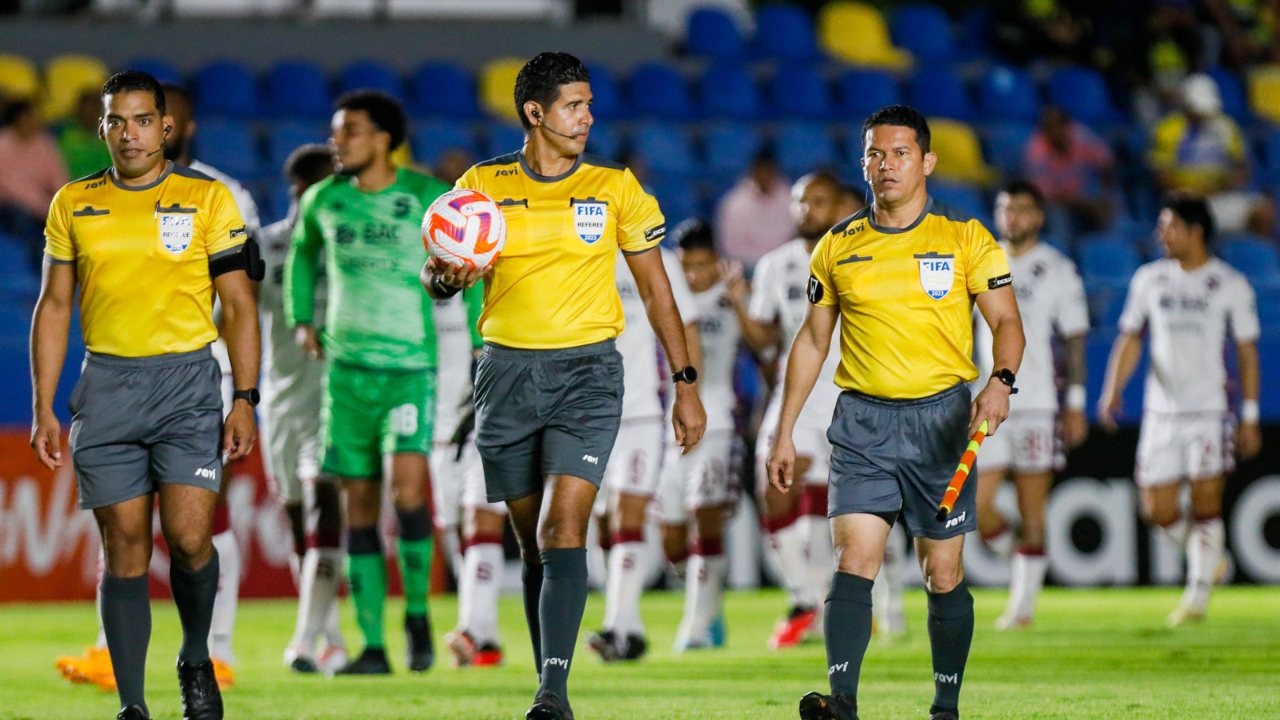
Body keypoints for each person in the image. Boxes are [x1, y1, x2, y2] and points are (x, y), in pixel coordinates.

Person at [422, 51, 706, 720]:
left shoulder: (615, 188)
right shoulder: (481, 184)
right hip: (505, 374)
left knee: (562, 527)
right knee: (532, 544)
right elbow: (436, 274)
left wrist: (685, 382)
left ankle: (554, 692)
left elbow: (657, 292)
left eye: (588, 105)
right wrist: (446, 279)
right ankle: (546, 674)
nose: (587, 117)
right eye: (574, 106)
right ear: (535, 112)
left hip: (588, 375)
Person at [767, 105, 1024, 720]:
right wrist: (783, 430)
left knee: (942, 572)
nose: (886, 165)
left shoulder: (965, 239)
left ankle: (945, 705)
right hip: (863, 423)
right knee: (853, 558)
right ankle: (842, 701)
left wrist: (1000, 383)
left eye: (900, 153)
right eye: (875, 154)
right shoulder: (837, 246)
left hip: (942, 422)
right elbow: (812, 341)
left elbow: (1008, 322)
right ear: (864, 164)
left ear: (927, 161)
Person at [30, 70, 260, 720]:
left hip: (188, 384)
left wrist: (245, 396)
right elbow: (54, 305)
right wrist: (44, 405)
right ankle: (132, 703)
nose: (128, 133)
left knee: (189, 538)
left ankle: (197, 657)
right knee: (124, 545)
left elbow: (240, 305)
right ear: (102, 128)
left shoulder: (208, 199)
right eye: (116, 121)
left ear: (166, 127)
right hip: (106, 387)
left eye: (141, 120)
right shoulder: (73, 202)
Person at [285, 90, 450, 675]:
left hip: (408, 370)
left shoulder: (427, 196)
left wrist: (481, 335)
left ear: (383, 139)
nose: (337, 142)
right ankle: (374, 645)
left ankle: (418, 616)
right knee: (358, 506)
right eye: (337, 131)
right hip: (346, 375)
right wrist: (300, 317)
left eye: (350, 130)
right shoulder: (324, 199)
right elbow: (301, 255)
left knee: (408, 496)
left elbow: (472, 261)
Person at [1098, 192, 1261, 626]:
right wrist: (1112, 390)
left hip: (1210, 411)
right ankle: (1209, 559)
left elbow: (1246, 351)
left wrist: (1249, 414)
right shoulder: (1150, 280)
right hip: (1161, 413)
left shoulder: (1229, 284)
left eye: (1168, 226)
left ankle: (1197, 596)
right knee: (1157, 509)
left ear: (1195, 231)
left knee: (1206, 502)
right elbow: (1130, 337)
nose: (1160, 234)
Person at [974, 181, 1090, 630]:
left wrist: (1075, 403)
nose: (1013, 217)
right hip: (988, 401)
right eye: (1006, 209)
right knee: (978, 505)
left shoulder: (1057, 269)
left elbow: (1074, 338)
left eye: (1022, 209)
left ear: (1039, 216)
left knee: (1032, 506)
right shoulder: (981, 261)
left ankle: (1022, 607)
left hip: (1038, 402)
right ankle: (1018, 554)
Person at [257, 143, 349, 674]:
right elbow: (230, 320)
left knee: (324, 510)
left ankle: (301, 640)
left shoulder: (348, 244)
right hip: (281, 403)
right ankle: (329, 637)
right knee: (298, 523)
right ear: (299, 190)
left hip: (335, 401)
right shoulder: (265, 248)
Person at [586, 243, 700, 663]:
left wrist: (690, 394)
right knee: (601, 521)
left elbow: (686, 328)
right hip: (586, 414)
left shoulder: (659, 259)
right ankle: (629, 627)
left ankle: (616, 625)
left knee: (627, 512)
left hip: (640, 413)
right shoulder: (579, 253)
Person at [653, 219, 739, 652]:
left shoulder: (731, 297)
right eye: (686, 266)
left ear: (715, 261)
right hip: (670, 430)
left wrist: (743, 301)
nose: (693, 275)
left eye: (702, 265)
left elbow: (765, 344)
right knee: (671, 538)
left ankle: (695, 627)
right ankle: (709, 603)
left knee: (703, 519)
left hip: (718, 425)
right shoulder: (663, 300)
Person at [435, 279, 506, 669]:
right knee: (454, 532)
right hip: (435, 433)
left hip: (484, 425)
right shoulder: (420, 290)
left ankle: (470, 630)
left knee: (481, 518)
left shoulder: (488, 286)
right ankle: (487, 639)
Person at [1150, 73, 1274, 236]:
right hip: (1186, 199)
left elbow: (1242, 166)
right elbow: (1161, 177)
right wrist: (1198, 190)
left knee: (1263, 211)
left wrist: (1233, 179)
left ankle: (1259, 252)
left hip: (1221, 194)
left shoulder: (1225, 126)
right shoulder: (1168, 129)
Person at [1021, 104, 1116, 236]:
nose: (1055, 130)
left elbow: (1106, 162)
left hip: (1082, 194)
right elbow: (1045, 197)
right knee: (1058, 216)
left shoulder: (1081, 136)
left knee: (1111, 203)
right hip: (1053, 204)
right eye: (1049, 126)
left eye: (1058, 125)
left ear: (1067, 125)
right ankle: (1062, 246)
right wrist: (1086, 205)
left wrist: (1105, 195)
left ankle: (1111, 243)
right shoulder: (1036, 152)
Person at [0, 98, 69, 265]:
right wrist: (42, 207)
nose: (36, 121)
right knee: (26, 223)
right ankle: (41, 269)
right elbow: (10, 188)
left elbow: (58, 176)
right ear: (18, 119)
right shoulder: (3, 144)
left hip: (41, 203)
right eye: (30, 117)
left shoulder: (44, 142)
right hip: (10, 205)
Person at [713, 147, 794, 270]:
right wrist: (763, 265)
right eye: (761, 170)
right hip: (747, 268)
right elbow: (730, 248)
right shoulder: (735, 204)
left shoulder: (792, 199)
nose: (765, 176)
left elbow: (796, 239)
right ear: (753, 171)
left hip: (785, 265)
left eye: (769, 170)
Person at [57, 87, 114, 180]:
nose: (90, 114)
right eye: (87, 109)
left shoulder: (109, 138)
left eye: (95, 109)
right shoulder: (67, 139)